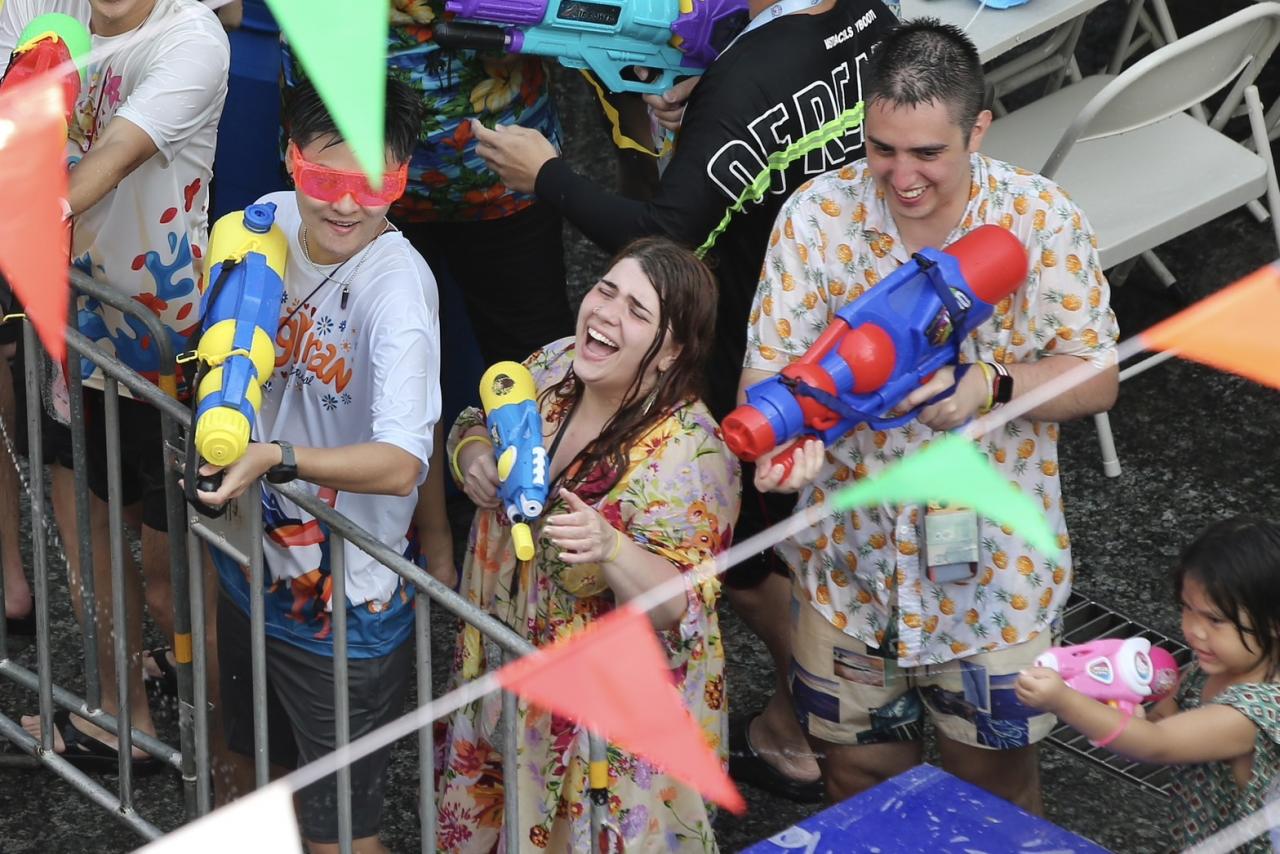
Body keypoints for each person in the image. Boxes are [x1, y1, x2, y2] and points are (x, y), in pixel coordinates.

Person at [471, 0, 897, 802]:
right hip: (849, 324)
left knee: (745, 562)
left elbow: (670, 233)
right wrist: (715, 116)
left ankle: (814, 719)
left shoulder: (752, 73)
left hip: (754, 347)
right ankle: (802, 715)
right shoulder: (872, 14)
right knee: (789, 546)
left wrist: (547, 176)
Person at [741, 19, 1120, 810]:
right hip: (847, 579)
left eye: (927, 154)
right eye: (882, 148)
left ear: (977, 129)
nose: (900, 176)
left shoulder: (1040, 219)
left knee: (993, 795)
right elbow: (765, 381)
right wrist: (788, 445)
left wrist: (996, 386)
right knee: (855, 781)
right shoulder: (817, 217)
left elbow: (1097, 377)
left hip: (993, 589)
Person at [197, 78, 439, 853]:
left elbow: (403, 462)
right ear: (290, 159)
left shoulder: (397, 296)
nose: (345, 205)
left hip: (344, 611)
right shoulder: (264, 223)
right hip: (249, 565)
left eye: (376, 184)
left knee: (342, 830)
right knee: (250, 770)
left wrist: (278, 457)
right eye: (324, 179)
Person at [439, 238, 740, 852]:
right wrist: (471, 458)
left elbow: (682, 606)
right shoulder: (554, 365)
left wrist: (611, 547)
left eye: (637, 311)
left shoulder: (695, 455)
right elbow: (477, 419)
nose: (605, 313)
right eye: (606, 290)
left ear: (671, 352)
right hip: (511, 665)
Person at [0, 0, 229, 769]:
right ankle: (117, 714)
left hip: (161, 342)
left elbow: (117, 155)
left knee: (176, 579)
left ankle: (229, 759)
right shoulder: (36, 7)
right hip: (64, 319)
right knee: (82, 521)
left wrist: (33, 211)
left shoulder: (191, 38)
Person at [1018, 516, 1280, 853]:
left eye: (1215, 620)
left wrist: (1063, 700)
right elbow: (1158, 724)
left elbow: (1157, 743)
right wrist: (1125, 716)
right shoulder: (1214, 665)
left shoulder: (1251, 713)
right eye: (1187, 608)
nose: (1194, 631)